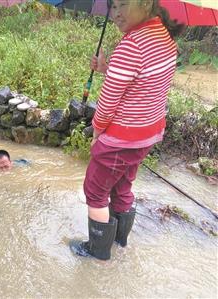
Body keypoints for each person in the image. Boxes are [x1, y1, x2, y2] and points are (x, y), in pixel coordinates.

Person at [70, 0, 184, 260]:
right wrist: (106, 69)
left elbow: (108, 102)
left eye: (123, 4)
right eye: (113, 6)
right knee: (122, 186)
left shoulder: (131, 45)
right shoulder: (163, 36)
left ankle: (97, 252)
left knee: (96, 191)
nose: (116, 13)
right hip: (146, 135)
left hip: (120, 137)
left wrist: (97, 131)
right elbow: (143, 82)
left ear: (145, 3)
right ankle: (120, 242)